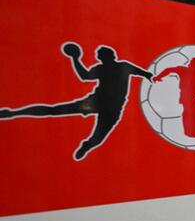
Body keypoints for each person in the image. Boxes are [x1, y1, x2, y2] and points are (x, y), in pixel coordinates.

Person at [0, 43, 152, 160]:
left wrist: (75, 58)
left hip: (102, 105)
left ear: (105, 56)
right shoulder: (117, 66)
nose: (100, 57)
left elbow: (142, 73)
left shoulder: (120, 66)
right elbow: (85, 76)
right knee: (57, 111)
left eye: (100, 55)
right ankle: (14, 112)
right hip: (100, 104)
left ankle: (86, 146)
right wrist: (75, 58)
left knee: (92, 133)